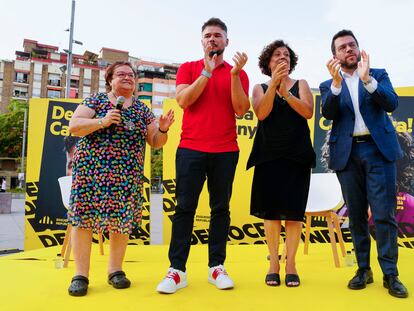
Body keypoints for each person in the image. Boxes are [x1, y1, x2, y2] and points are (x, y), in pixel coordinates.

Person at [156, 17, 250, 294]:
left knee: (220, 209)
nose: (212, 39)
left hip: (225, 151)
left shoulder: (238, 73)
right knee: (185, 208)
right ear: (202, 41)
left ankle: (216, 268)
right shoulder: (189, 68)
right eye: (208, 35)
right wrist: (207, 73)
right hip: (191, 150)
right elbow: (184, 101)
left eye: (217, 36)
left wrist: (232, 76)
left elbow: (242, 109)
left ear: (226, 41)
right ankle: (177, 271)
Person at [67, 60, 174, 296]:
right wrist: (102, 121)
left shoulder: (142, 109)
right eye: (121, 74)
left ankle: (115, 271)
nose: (128, 77)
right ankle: (80, 275)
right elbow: (74, 126)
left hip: (126, 176)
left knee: (122, 222)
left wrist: (163, 129)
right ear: (110, 80)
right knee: (83, 221)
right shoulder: (96, 100)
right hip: (91, 173)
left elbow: (155, 142)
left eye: (131, 75)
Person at [319, 29, 408, 298]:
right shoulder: (328, 85)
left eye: (352, 45)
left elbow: (391, 103)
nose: (349, 49)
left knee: (383, 214)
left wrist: (368, 80)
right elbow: (328, 112)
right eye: (342, 47)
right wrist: (336, 85)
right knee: (356, 215)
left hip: (378, 151)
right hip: (347, 154)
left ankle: (390, 274)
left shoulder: (378, 74)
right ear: (334, 55)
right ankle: (363, 269)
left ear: (359, 48)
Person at [246, 40, 315, 287]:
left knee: (294, 215)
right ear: (268, 61)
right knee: (272, 214)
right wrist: (274, 85)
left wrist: (286, 93)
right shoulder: (259, 87)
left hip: (297, 156)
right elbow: (262, 113)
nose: (282, 57)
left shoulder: (302, 84)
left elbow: (307, 112)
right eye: (277, 54)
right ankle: (274, 264)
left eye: (286, 54)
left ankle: (292, 264)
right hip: (268, 156)